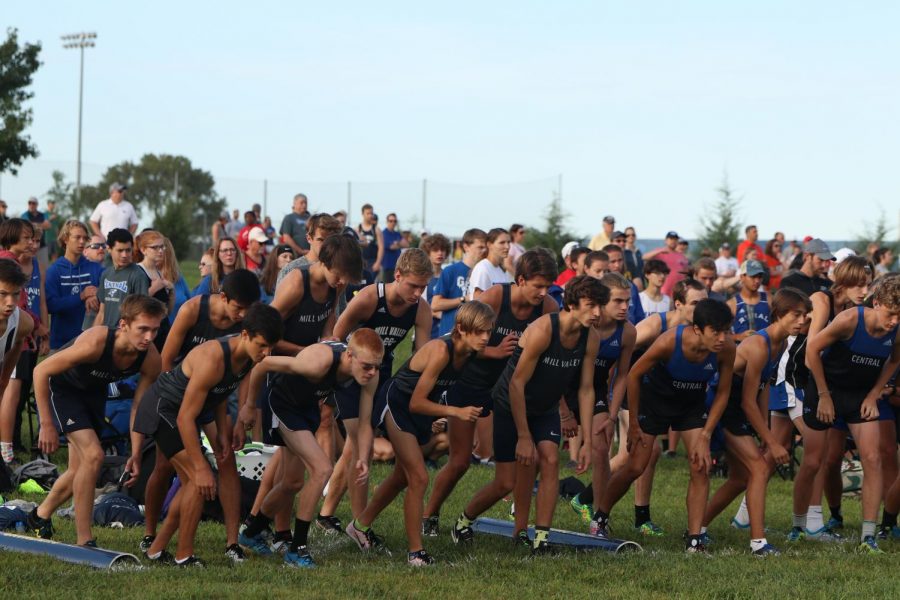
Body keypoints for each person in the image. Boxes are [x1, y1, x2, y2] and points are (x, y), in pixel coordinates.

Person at [451, 277, 603, 554]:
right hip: (511, 403)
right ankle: (464, 521)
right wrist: (523, 436)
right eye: (591, 306)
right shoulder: (543, 330)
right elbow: (517, 384)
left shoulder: (591, 337)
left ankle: (539, 539)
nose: (597, 313)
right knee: (506, 482)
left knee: (551, 458)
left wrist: (588, 443)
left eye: (599, 306)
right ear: (571, 304)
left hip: (544, 408)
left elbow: (585, 389)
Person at [133, 303, 282, 566]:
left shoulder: (249, 355)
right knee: (198, 480)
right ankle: (183, 555)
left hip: (196, 410)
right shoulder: (213, 358)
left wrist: (224, 432)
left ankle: (158, 549)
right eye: (262, 345)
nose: (267, 352)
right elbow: (184, 417)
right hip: (165, 409)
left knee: (219, 466)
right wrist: (201, 467)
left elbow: (221, 391)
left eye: (271, 346)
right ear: (245, 335)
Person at [347, 302, 495, 565]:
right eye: (480, 331)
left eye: (489, 332)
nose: (486, 338)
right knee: (418, 477)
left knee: (401, 476)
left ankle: (360, 525)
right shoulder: (441, 350)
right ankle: (416, 552)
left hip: (415, 411)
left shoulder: (470, 351)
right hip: (397, 404)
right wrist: (455, 412)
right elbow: (415, 401)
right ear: (461, 329)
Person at [423, 250, 558, 535]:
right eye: (538, 286)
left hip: (508, 392)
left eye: (548, 286)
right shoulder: (497, 297)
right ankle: (430, 514)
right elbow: (459, 335)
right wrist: (492, 351)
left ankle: (520, 530)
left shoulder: (547, 307)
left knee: (522, 464)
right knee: (460, 461)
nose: (543, 293)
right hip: (470, 385)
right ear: (520, 280)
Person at [591, 299, 735, 553]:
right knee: (635, 466)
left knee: (700, 467)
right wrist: (633, 422)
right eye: (716, 331)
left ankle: (694, 539)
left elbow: (723, 392)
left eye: (726, 330)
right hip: (655, 401)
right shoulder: (670, 341)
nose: (722, 337)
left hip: (690, 406)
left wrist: (706, 434)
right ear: (698, 329)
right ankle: (600, 517)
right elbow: (634, 374)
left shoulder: (726, 348)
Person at [238, 330, 382, 567]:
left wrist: (363, 457)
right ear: (349, 356)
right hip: (281, 404)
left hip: (306, 408)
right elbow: (262, 366)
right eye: (367, 366)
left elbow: (365, 423)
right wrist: (250, 406)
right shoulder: (317, 362)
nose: (372, 372)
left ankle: (251, 532)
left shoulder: (369, 375)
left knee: (292, 483)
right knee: (322, 469)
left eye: (376, 367)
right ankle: (297, 549)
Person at [29, 296, 165, 546]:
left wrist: (135, 452)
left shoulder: (150, 359)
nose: (149, 337)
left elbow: (138, 406)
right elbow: (41, 371)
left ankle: (40, 515)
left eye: (155, 330)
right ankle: (85, 540)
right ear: (124, 324)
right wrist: (46, 424)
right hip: (62, 389)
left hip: (93, 395)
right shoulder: (96, 341)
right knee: (94, 456)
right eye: (143, 329)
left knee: (78, 470)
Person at [317, 249, 434, 532]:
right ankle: (360, 526)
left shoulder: (420, 309)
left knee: (355, 448)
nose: (418, 293)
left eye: (423, 287)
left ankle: (327, 514)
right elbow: (336, 336)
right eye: (413, 285)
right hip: (350, 371)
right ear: (397, 276)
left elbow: (422, 356)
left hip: (381, 373)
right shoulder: (371, 297)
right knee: (361, 447)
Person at [702, 289, 811, 555]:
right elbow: (746, 401)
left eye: (806, 316)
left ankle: (698, 527)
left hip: (738, 407)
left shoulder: (782, 343)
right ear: (778, 314)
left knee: (740, 478)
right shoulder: (760, 345)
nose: (802, 321)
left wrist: (765, 433)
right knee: (760, 469)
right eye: (796, 315)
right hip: (722, 407)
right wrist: (772, 442)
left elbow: (763, 389)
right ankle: (758, 543)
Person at [799, 275, 900, 553]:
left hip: (859, 395)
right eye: (891, 314)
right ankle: (805, 523)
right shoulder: (850, 319)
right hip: (826, 388)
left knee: (873, 457)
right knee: (818, 461)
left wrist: (874, 393)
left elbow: (894, 360)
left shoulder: (897, 329)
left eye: (899, 316)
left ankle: (869, 535)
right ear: (876, 303)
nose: (894, 321)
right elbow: (812, 350)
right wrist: (823, 395)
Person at [566, 273, 636, 534]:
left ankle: (598, 518)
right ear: (602, 301)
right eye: (618, 301)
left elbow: (622, 376)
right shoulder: (584, 324)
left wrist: (612, 412)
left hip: (594, 389)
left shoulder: (627, 331)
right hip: (563, 384)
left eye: (627, 301)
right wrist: (563, 412)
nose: (625, 307)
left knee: (601, 449)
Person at [45, 220, 104, 350]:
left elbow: (112, 290)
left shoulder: (96, 268)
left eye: (84, 238)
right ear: (65, 239)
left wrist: (97, 295)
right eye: (77, 237)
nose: (82, 242)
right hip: (61, 342)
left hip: (90, 341)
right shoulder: (54, 270)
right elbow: (50, 305)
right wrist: (81, 296)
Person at [0, 262, 34, 466]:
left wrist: (3, 382)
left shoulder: (23, 323)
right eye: (2, 294)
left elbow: (16, 344)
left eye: (15, 294)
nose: (10, 302)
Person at [431, 228, 486, 336]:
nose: (484, 250)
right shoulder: (450, 271)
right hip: (450, 334)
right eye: (480, 247)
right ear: (466, 247)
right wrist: (464, 299)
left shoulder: (484, 272)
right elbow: (435, 304)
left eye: (485, 247)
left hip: (475, 335)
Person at [94, 229, 150, 328]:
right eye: (120, 250)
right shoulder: (106, 274)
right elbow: (102, 313)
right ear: (109, 249)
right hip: (105, 334)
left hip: (124, 335)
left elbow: (142, 312)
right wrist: (92, 335)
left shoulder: (138, 275)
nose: (124, 255)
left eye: (128, 250)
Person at [134, 231, 175, 350]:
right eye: (155, 247)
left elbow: (166, 311)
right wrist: (154, 288)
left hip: (161, 330)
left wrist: (172, 292)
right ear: (143, 250)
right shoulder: (137, 272)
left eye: (162, 246)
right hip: (146, 333)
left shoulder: (159, 272)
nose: (161, 251)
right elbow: (134, 305)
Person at [277, 213, 343, 284]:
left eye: (329, 240)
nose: (325, 245)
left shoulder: (339, 270)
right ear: (309, 238)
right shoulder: (290, 270)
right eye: (321, 240)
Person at [602, 244, 645, 325]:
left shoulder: (631, 286)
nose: (617, 265)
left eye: (620, 260)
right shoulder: (599, 287)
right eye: (613, 261)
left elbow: (639, 317)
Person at [728, 259, 770, 341]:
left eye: (760, 276)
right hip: (741, 352)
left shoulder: (769, 299)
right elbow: (720, 336)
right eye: (753, 276)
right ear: (742, 277)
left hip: (767, 351)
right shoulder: (732, 304)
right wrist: (738, 337)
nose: (757, 281)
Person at [420, 233, 451, 339]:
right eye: (435, 250)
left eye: (443, 250)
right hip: (425, 329)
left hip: (445, 330)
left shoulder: (448, 276)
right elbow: (419, 305)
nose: (440, 253)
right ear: (428, 253)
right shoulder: (422, 276)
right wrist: (437, 313)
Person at [467, 228, 512, 299]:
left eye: (509, 242)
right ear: (489, 244)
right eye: (502, 243)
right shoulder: (482, 268)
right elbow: (478, 301)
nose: (507, 246)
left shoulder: (502, 270)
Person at [644, 231, 689, 297]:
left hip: (678, 289)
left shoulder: (681, 255)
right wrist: (660, 251)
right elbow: (644, 257)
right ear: (666, 240)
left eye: (675, 239)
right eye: (671, 239)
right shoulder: (660, 252)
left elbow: (686, 273)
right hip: (664, 288)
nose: (673, 241)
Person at [22, 197, 50, 269]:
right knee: (29, 267)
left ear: (37, 204)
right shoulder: (24, 215)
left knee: (44, 267)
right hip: (29, 246)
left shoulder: (43, 214)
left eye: (33, 203)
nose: (31, 205)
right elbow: (28, 225)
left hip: (42, 245)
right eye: (29, 203)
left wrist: (34, 224)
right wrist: (41, 224)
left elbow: (48, 226)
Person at [380, 213, 408, 283]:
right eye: (391, 221)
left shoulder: (397, 234)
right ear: (387, 221)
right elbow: (391, 247)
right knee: (386, 289)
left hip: (397, 267)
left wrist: (397, 243)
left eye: (395, 221)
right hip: (387, 267)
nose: (393, 223)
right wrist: (399, 243)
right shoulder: (383, 234)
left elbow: (406, 244)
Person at [357, 204, 384, 276]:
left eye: (371, 213)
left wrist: (378, 263)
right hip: (360, 262)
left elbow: (381, 248)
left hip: (372, 262)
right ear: (363, 214)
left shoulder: (376, 229)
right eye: (368, 213)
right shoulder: (357, 229)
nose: (370, 215)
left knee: (370, 284)